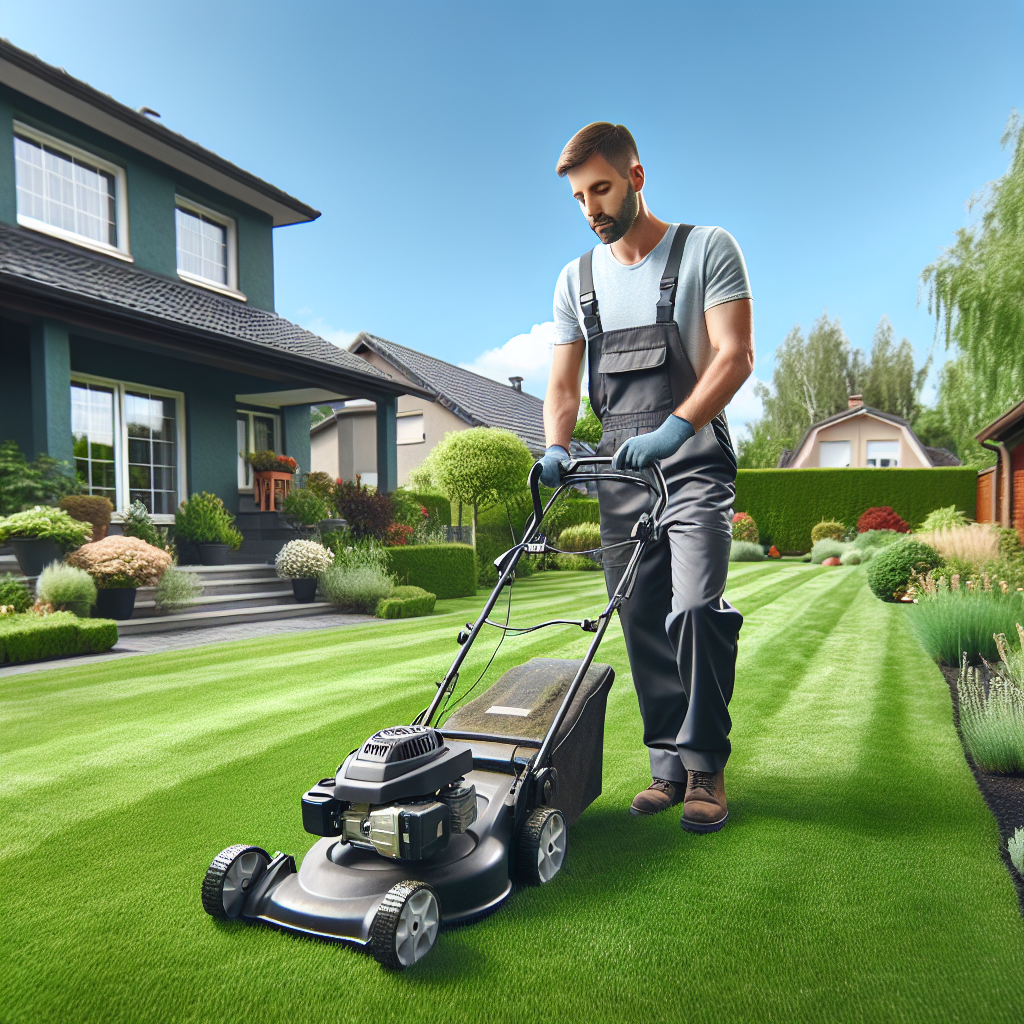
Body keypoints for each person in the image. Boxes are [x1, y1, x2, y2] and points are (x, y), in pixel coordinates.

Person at [539, 123, 753, 833]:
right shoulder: (577, 279)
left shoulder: (706, 249)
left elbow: (734, 356)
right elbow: (565, 388)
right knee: (637, 621)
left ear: (636, 176)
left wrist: (677, 427)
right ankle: (666, 764)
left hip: (691, 464)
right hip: (620, 475)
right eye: (577, 197)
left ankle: (705, 765)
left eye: (600, 188)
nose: (590, 206)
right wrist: (558, 446)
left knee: (692, 610)